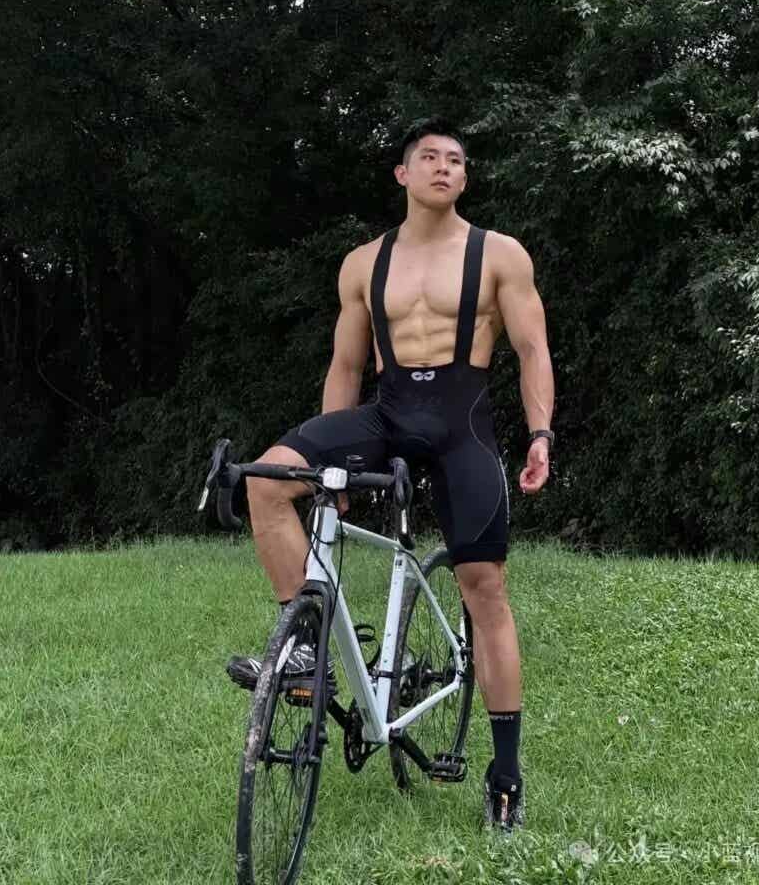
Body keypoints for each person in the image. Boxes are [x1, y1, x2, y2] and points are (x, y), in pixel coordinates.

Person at [228, 117, 554, 831]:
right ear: (403, 174)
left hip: (463, 426)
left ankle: (504, 774)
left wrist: (540, 433)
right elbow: (346, 366)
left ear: (464, 177)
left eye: (455, 160)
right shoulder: (362, 264)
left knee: (484, 586)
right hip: (388, 413)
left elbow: (532, 349)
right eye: (428, 157)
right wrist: (325, 476)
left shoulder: (499, 254)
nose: (443, 167)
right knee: (266, 479)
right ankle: (306, 649)